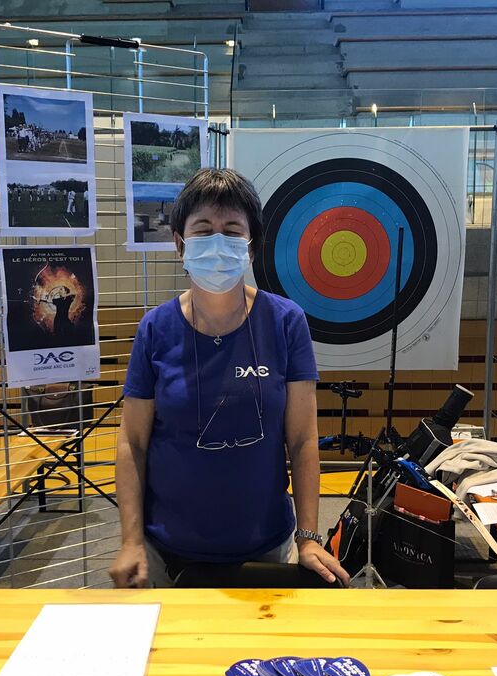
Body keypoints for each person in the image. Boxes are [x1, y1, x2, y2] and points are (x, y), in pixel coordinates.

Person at [109, 169, 347, 589]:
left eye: (232, 231)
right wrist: (130, 542)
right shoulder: (155, 329)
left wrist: (308, 538)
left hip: (264, 545)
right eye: (203, 230)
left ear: (251, 247)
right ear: (180, 244)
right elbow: (133, 442)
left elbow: (303, 440)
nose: (218, 243)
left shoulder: (285, 322)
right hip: (165, 551)